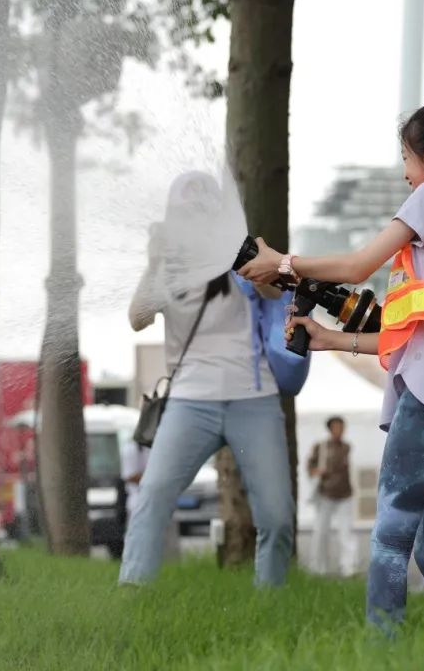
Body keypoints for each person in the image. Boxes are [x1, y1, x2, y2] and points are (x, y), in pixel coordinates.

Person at [239, 98, 424, 635]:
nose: (405, 175)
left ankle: (382, 651)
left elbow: (359, 263)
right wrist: (331, 339)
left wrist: (283, 263)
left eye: (406, 160)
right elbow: (415, 331)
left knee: (390, 537)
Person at [118, 172, 295, 589]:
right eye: (186, 211)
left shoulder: (238, 253)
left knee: (276, 515)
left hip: (255, 398)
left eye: (203, 208)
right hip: (189, 401)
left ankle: (272, 601)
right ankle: (133, 592)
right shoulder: (169, 268)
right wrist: (155, 261)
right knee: (154, 495)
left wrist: (245, 257)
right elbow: (137, 319)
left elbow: (277, 293)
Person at [307, 416, 357, 577]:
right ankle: (318, 567)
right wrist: (318, 472)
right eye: (336, 427)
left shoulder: (347, 447)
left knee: (346, 532)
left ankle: (348, 567)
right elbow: (310, 467)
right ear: (330, 429)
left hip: (344, 494)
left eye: (341, 427)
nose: (339, 430)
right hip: (325, 494)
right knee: (321, 531)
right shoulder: (320, 447)